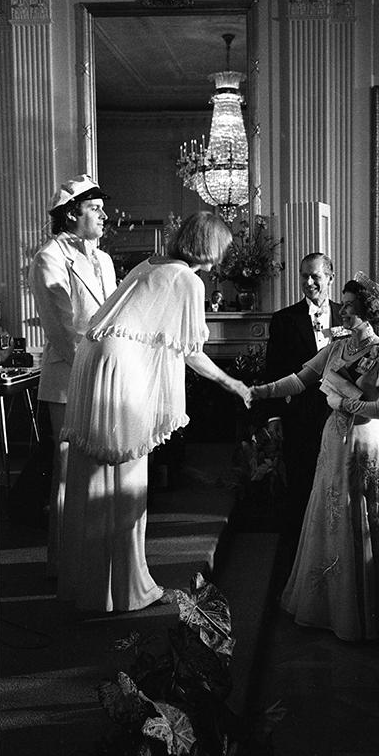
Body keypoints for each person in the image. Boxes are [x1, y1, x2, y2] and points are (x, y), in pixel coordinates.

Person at [58, 212, 251, 613]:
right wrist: (233, 384)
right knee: (127, 478)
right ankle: (125, 590)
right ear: (211, 246)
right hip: (123, 370)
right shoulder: (188, 280)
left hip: (96, 363)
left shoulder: (152, 263)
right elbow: (192, 353)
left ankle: (90, 585)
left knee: (94, 475)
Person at [252, 273, 379, 641]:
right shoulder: (337, 346)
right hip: (333, 439)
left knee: (357, 513)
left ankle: (358, 611)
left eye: (349, 307)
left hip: (362, 441)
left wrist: (344, 402)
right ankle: (327, 604)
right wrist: (260, 391)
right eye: (342, 304)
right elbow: (299, 380)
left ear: (368, 311)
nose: (341, 312)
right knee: (328, 511)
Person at [28, 174, 117, 577]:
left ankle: (95, 560)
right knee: (67, 471)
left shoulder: (103, 258)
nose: (103, 215)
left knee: (98, 472)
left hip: (104, 378)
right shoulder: (49, 257)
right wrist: (94, 369)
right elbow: (61, 329)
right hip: (69, 381)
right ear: (71, 213)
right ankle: (65, 564)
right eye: (94, 209)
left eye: (101, 208)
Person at [263, 252, 342, 556]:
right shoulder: (284, 320)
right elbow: (274, 371)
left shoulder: (346, 317)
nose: (308, 282)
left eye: (315, 276)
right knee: (301, 483)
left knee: (336, 479)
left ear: (330, 278)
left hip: (339, 414)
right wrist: (273, 417)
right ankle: (300, 551)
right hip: (300, 416)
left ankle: (334, 542)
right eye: (303, 276)